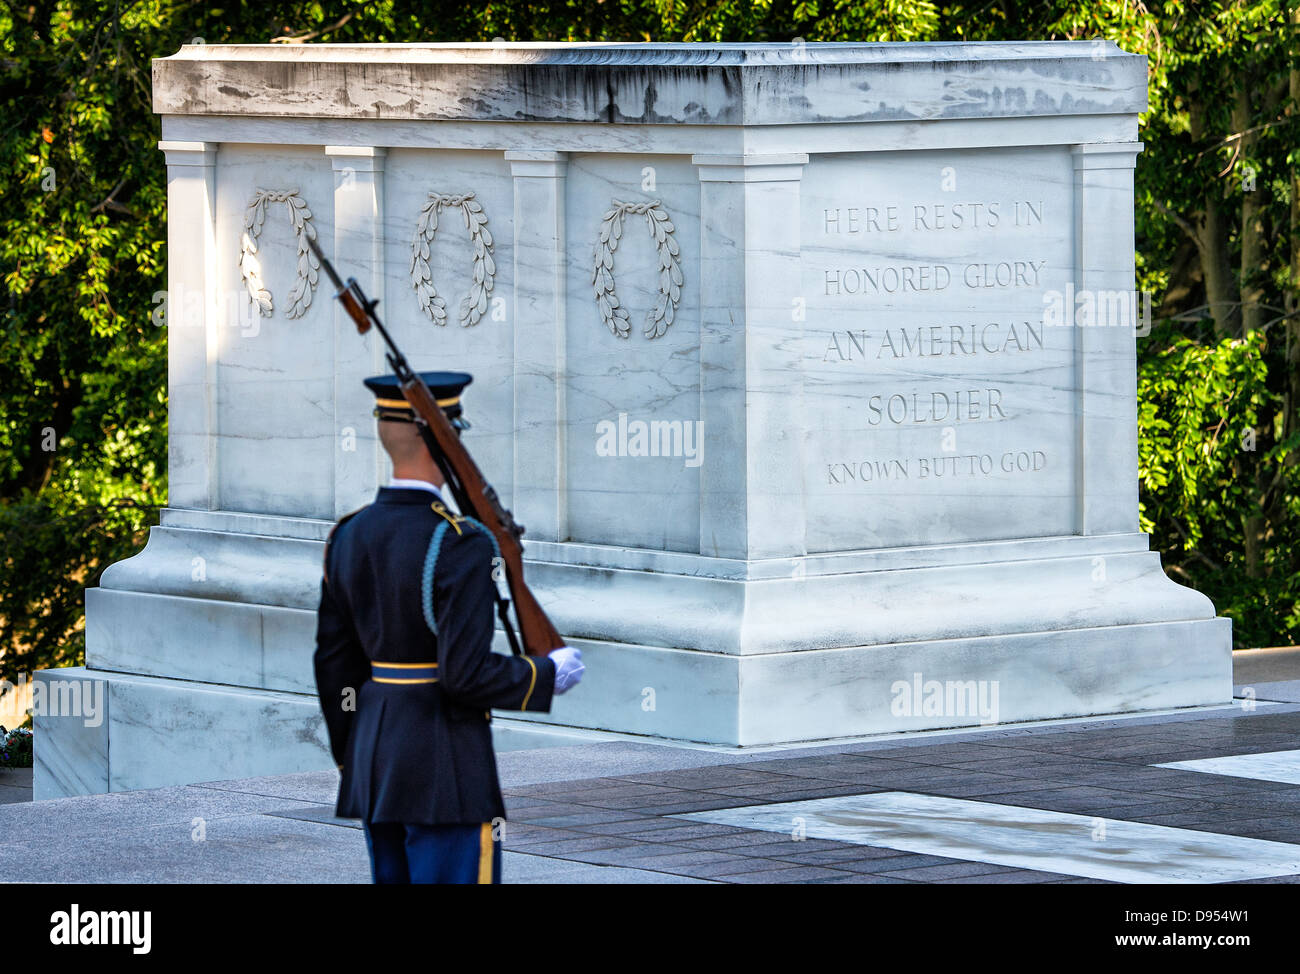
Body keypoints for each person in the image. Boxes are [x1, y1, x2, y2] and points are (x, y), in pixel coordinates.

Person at [314, 370, 585, 884]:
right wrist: (542, 673)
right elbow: (463, 676)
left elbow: (333, 665)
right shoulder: (461, 541)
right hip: (445, 765)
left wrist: (353, 758)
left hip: (374, 761)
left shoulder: (347, 535)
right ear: (445, 438)